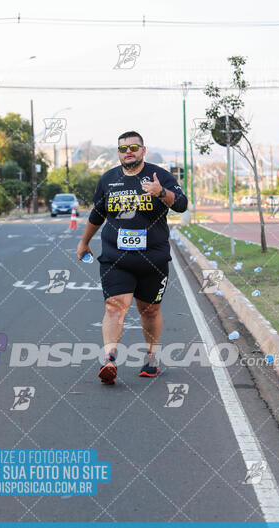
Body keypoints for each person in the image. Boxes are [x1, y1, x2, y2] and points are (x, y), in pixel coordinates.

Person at [77, 131, 187, 384]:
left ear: (143, 150)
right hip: (116, 258)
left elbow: (181, 204)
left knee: (149, 310)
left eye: (134, 147)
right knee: (114, 307)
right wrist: (84, 242)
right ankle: (109, 359)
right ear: (118, 153)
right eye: (123, 148)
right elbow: (97, 215)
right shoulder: (108, 180)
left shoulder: (161, 176)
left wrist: (161, 192)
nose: (128, 151)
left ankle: (151, 357)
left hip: (153, 259)